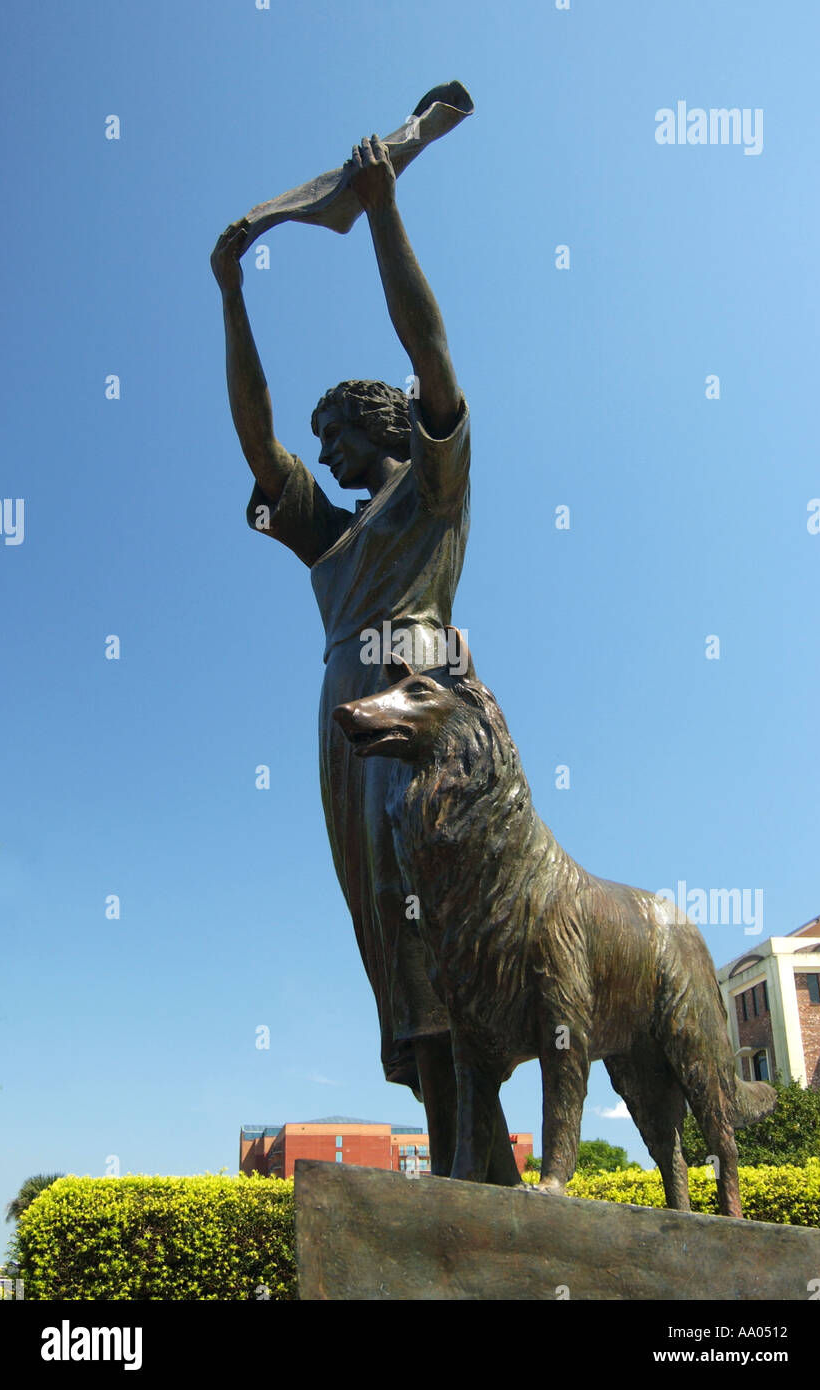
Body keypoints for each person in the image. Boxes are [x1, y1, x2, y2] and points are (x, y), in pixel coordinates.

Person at [212, 136, 517, 1182]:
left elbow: (432, 354)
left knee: (449, 916)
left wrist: (382, 208)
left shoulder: (433, 490)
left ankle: (486, 1161)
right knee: (392, 936)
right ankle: (459, 1162)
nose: (325, 452)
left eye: (337, 430)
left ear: (382, 421)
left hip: (422, 704)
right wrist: (231, 294)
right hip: (345, 724)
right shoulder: (330, 537)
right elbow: (258, 451)